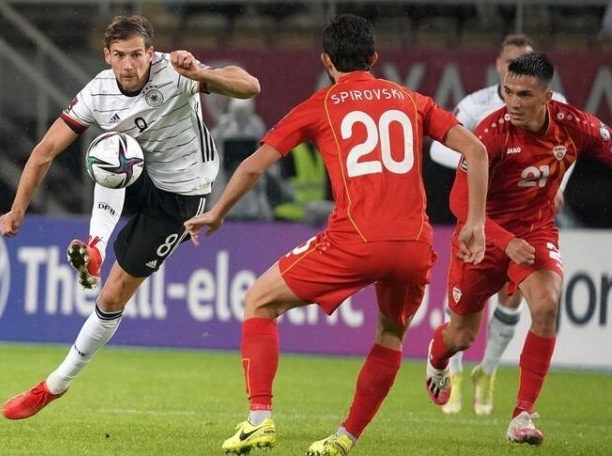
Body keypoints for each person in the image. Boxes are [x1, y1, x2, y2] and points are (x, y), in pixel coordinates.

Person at [184, 14, 488, 456]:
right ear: (375, 58)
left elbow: (253, 165)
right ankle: (345, 438)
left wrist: (216, 212)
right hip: (414, 245)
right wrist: (475, 223)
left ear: (326, 60)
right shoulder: (412, 100)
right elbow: (476, 151)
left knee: (259, 302)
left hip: (355, 240)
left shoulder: (322, 104)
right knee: (390, 336)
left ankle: (259, 420)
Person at [0, 15, 260, 420]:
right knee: (109, 150)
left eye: (137, 54)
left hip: (182, 193)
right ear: (107, 56)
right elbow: (45, 151)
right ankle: (96, 248)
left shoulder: (175, 70)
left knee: (113, 294)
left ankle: (56, 384)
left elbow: (249, 86)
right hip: (140, 172)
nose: (129, 64)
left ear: (150, 53)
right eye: (119, 55)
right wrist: (17, 210)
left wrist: (200, 73)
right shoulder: (98, 92)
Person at [424, 52, 612, 445]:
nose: (513, 103)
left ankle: (522, 415)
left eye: (525, 95)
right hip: (484, 237)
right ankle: (437, 361)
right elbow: (460, 204)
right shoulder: (491, 135)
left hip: (536, 231)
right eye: (508, 92)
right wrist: (506, 242)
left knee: (545, 305)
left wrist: (521, 240)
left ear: (547, 97)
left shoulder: (573, 126)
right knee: (460, 336)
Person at [429, 34, 568, 416]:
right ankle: (451, 372)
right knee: (462, 323)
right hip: (481, 216)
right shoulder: (476, 106)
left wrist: (554, 184)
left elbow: (566, 148)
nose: (516, 75)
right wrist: (477, 161)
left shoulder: (552, 109)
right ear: (498, 65)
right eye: (510, 64)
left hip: (528, 220)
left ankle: (487, 372)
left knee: (517, 299)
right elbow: (438, 146)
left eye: (524, 63)